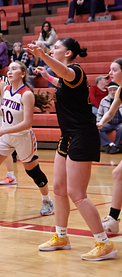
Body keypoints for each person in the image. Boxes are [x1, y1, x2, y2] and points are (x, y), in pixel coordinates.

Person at [28, 39, 117, 261]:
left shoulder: (76, 71)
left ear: (68, 53)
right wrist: (46, 75)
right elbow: (60, 81)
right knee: (59, 189)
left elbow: (65, 74)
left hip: (83, 136)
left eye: (57, 47)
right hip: (68, 136)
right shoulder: (66, 78)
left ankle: (104, 244)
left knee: (77, 195)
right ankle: (61, 237)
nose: (53, 49)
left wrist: (43, 56)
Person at [0, 61, 54, 219]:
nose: (10, 71)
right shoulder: (6, 89)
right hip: (5, 137)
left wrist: (2, 130)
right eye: (9, 69)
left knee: (33, 172)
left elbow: (27, 123)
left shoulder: (26, 94)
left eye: (14, 69)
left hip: (22, 137)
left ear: (23, 73)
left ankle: (47, 200)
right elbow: (6, 110)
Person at [97, 58, 122, 235]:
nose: (110, 73)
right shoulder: (120, 90)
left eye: (114, 69)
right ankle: (113, 219)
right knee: (117, 174)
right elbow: (111, 112)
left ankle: (113, 219)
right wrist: (100, 123)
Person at [97, 82, 122, 154]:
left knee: (121, 127)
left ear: (118, 91)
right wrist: (99, 122)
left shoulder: (120, 99)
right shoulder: (104, 100)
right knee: (97, 128)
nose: (112, 92)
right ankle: (110, 144)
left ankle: (116, 145)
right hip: (109, 123)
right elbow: (100, 114)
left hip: (120, 123)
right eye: (110, 90)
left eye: (114, 90)